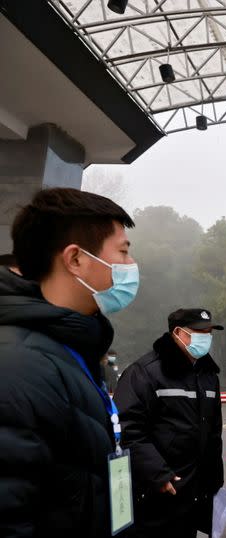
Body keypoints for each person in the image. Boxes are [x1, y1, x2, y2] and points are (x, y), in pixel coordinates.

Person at [0, 188, 137, 536]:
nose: (130, 268)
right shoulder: (20, 366)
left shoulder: (70, 349)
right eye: (122, 252)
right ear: (75, 259)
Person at [114, 308, 225, 538]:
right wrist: (158, 474)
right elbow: (128, 428)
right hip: (158, 491)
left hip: (194, 491)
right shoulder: (145, 372)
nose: (207, 337)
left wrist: (214, 478)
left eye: (209, 332)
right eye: (200, 331)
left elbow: (213, 432)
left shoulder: (208, 375)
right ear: (178, 332)